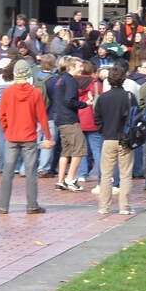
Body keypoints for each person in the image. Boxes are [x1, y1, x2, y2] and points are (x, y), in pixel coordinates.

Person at [0, 60, 52, 214]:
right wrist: (48, 136)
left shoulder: (8, 92)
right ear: (28, 74)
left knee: (7, 172)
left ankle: (3, 206)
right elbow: (42, 117)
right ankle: (32, 205)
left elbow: (1, 115)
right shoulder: (35, 93)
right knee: (31, 172)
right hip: (29, 136)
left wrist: (7, 130)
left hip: (12, 136)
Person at [94, 66, 137, 215]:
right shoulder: (129, 97)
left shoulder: (103, 98)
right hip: (125, 138)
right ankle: (124, 206)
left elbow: (97, 118)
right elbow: (136, 117)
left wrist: (103, 130)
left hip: (108, 137)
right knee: (125, 174)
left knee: (106, 174)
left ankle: (104, 206)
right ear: (124, 79)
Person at [53, 57, 89, 191]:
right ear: (71, 67)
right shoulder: (71, 81)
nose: (82, 69)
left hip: (60, 119)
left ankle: (60, 181)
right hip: (69, 120)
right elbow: (69, 101)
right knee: (80, 148)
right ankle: (70, 179)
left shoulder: (60, 79)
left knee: (66, 150)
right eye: (79, 66)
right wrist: (85, 104)